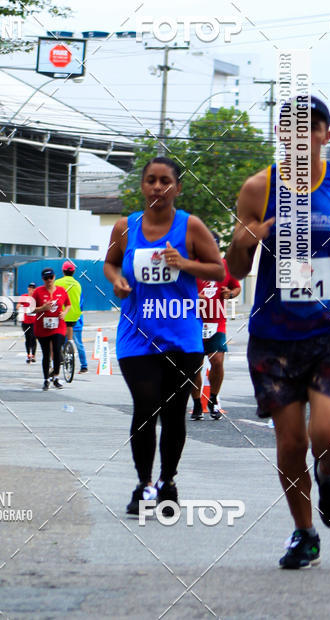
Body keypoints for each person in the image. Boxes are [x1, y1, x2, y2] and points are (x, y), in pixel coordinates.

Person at [227, 96, 330, 569]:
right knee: (291, 443)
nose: (299, 137)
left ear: (324, 135)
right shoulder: (258, 190)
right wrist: (249, 237)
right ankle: (304, 532)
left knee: (329, 436)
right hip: (274, 337)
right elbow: (233, 266)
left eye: (309, 129)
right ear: (280, 134)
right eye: (289, 128)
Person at [103, 155, 224, 515]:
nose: (158, 187)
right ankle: (143, 485)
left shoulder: (191, 227)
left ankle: (167, 481)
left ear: (177, 187)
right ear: (142, 186)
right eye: (151, 180)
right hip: (136, 335)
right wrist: (117, 281)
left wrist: (184, 264)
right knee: (145, 406)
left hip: (181, 337)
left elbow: (218, 269)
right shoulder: (125, 227)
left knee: (173, 413)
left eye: (165, 181)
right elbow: (110, 262)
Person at [191, 234, 241, 421]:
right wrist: (195, 296)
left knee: (217, 361)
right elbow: (179, 290)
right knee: (194, 366)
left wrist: (230, 293)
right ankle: (197, 403)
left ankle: (213, 400)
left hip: (216, 321)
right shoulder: (192, 265)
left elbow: (236, 287)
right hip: (193, 322)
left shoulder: (226, 266)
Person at [32, 268, 69, 390]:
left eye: (51, 277)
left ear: (54, 277)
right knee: (46, 353)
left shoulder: (61, 291)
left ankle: (56, 377)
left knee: (57, 350)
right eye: (46, 278)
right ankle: (46, 379)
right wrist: (42, 308)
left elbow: (68, 304)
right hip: (42, 327)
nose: (49, 280)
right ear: (43, 279)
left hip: (58, 326)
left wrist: (64, 312)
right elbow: (30, 309)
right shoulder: (37, 292)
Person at [56, 260, 88, 373]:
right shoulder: (78, 285)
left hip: (61, 316)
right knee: (78, 342)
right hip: (76, 318)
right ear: (74, 272)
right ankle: (84, 366)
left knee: (56, 339)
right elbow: (81, 303)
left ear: (63, 271)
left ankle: (60, 359)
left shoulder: (57, 283)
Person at [19, 282, 37, 363]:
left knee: (33, 337)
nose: (31, 289)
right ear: (28, 288)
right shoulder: (24, 297)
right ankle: (28, 355)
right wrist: (20, 306)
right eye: (30, 288)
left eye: (33, 288)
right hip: (25, 321)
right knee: (27, 338)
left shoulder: (36, 297)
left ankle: (33, 355)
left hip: (34, 322)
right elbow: (18, 305)